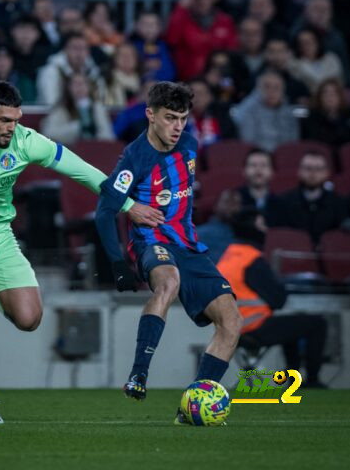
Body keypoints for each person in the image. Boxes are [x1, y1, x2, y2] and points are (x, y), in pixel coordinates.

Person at [0, 80, 161, 424]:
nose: (12, 128)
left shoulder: (26, 141)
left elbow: (82, 171)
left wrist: (126, 203)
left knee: (29, 319)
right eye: (5, 120)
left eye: (17, 120)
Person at [95, 81, 242, 423]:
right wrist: (118, 262)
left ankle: (191, 408)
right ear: (150, 114)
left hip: (189, 246)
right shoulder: (134, 157)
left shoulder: (190, 143)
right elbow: (105, 211)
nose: (178, 127)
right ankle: (138, 375)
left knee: (232, 322)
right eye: (170, 118)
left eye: (183, 118)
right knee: (168, 282)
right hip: (151, 242)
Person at [217, 240, 328, 387]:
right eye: (262, 222)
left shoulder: (226, 258)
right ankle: (312, 381)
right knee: (317, 323)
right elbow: (278, 300)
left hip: (230, 329)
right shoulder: (252, 259)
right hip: (254, 326)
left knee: (292, 327)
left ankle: (295, 380)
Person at [268, 151, 347, 244]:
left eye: (318, 169)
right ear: (299, 171)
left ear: (327, 173)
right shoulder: (283, 202)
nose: (313, 173)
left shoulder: (339, 203)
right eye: (308, 168)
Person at [231, 69, 299, 152]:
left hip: (284, 158)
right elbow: (247, 142)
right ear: (259, 89)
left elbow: (293, 143)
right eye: (267, 86)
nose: (272, 91)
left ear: (283, 91)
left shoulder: (289, 113)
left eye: (276, 87)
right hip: (259, 159)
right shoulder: (248, 111)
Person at [41, 73, 114, 146]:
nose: (80, 87)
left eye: (83, 83)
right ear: (68, 88)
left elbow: (108, 135)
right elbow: (48, 133)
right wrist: (76, 128)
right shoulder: (61, 109)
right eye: (75, 84)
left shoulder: (97, 107)